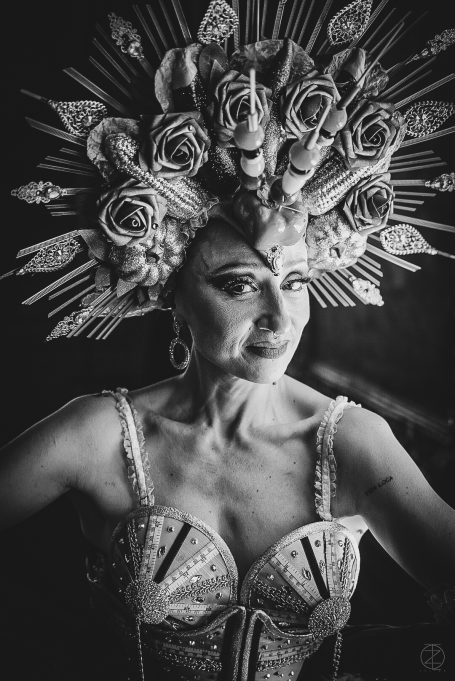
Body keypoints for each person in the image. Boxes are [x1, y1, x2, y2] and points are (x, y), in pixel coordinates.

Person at [2, 1, 455, 679]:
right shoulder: (97, 436)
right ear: (172, 293)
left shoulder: (352, 444)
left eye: (294, 282)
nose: (279, 317)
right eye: (240, 284)